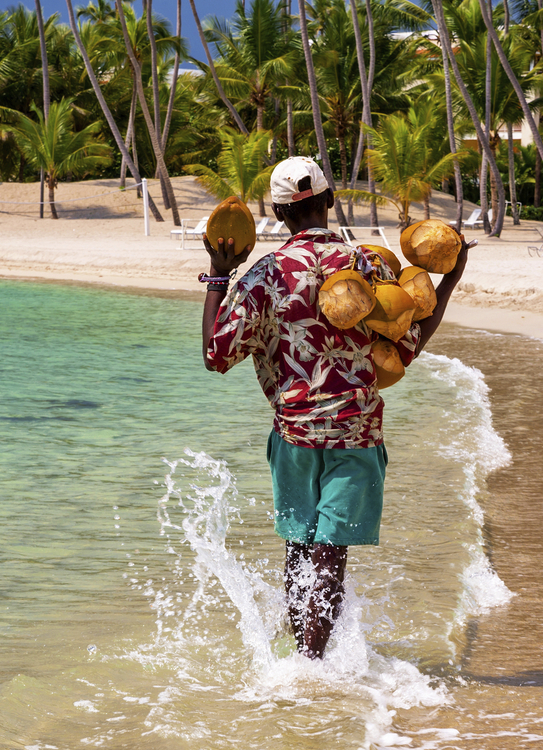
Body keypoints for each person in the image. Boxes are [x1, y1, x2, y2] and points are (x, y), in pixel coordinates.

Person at [200, 156, 468, 659]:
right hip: (357, 432)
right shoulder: (366, 264)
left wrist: (219, 276)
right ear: (329, 200)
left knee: (300, 547)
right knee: (329, 554)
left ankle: (302, 663)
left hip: (294, 433)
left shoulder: (262, 276)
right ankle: (313, 668)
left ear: (279, 214)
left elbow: (217, 355)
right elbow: (404, 346)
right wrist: (449, 283)